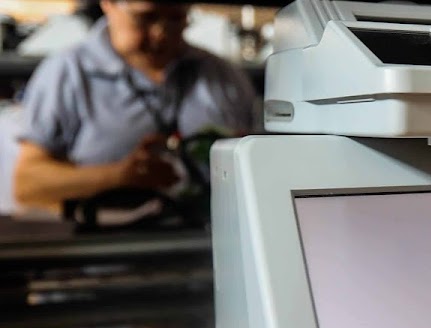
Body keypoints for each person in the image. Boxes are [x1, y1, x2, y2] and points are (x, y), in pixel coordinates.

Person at [11, 0, 256, 218]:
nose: (161, 34)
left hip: (211, 240)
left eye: (176, 18)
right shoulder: (67, 73)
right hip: (108, 246)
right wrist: (119, 175)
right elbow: (27, 185)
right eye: (145, 17)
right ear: (108, 4)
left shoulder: (223, 75)